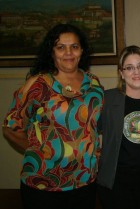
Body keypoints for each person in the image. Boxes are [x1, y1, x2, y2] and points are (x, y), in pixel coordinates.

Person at [2, 24, 104, 209]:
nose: (68, 53)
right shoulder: (38, 84)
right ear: (51, 51)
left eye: (74, 46)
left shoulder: (94, 83)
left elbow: (96, 125)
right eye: (60, 47)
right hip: (44, 183)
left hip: (85, 180)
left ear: (82, 50)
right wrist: (41, 151)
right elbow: (11, 127)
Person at [96, 45, 140, 209]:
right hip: (115, 178)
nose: (136, 72)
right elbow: (90, 131)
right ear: (121, 72)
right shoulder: (107, 99)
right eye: (129, 67)